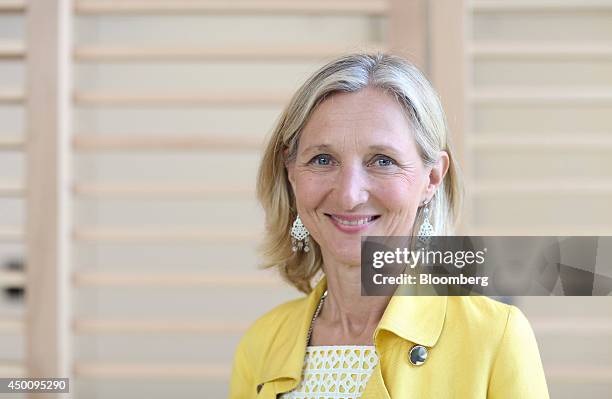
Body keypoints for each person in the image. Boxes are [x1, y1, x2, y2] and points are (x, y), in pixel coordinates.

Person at [229, 53, 549, 398]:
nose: (349, 195)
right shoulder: (261, 342)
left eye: (383, 160)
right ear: (291, 174)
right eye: (323, 159)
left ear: (432, 178)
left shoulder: (496, 336)